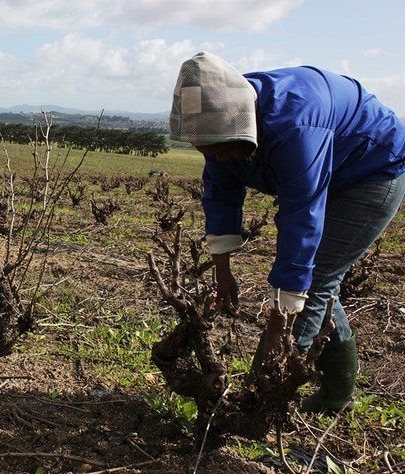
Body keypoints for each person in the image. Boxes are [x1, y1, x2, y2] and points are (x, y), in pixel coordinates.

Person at [169, 52, 405, 413]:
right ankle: (337, 393)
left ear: (242, 126)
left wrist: (282, 325)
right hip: (330, 163)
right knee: (321, 287)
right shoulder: (220, 116)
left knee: (317, 280)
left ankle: (260, 403)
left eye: (219, 149)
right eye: (206, 151)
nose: (214, 157)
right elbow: (220, 190)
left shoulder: (295, 127)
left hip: (372, 172)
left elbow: (301, 215)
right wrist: (222, 268)